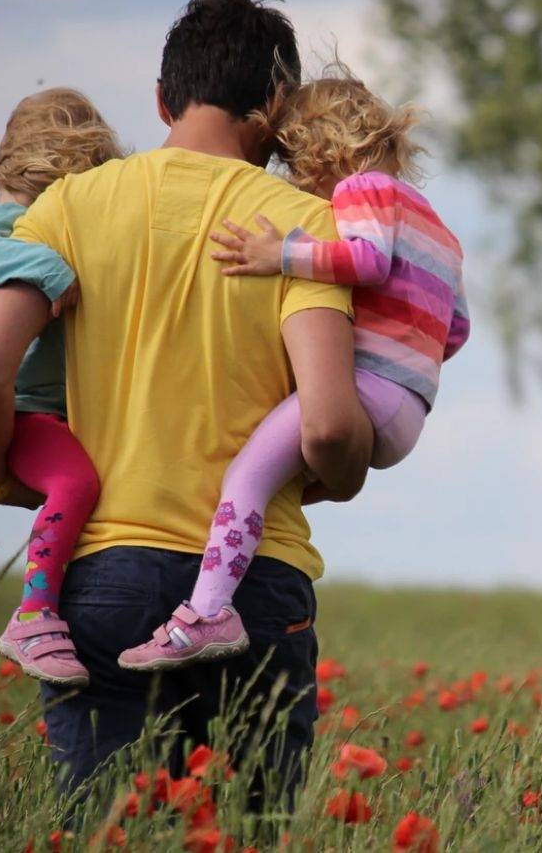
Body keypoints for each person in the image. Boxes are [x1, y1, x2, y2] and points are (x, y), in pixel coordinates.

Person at [0, 0, 373, 796]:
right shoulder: (302, 227)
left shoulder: (65, 208)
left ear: (160, 98)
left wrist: (0, 471)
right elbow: (325, 427)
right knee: (250, 833)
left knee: (109, 827)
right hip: (255, 585)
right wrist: (343, 473)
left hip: (103, 574)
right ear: (276, 105)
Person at [118, 71, 469, 671]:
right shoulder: (440, 228)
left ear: (321, 150)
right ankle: (225, 586)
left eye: (293, 163)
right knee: (276, 479)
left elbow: (365, 259)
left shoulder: (363, 191)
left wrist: (277, 254)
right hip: (410, 407)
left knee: (245, 478)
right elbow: (455, 329)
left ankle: (207, 613)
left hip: (367, 390)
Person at [0, 88, 122, 687]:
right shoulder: (6, 229)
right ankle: (35, 613)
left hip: (48, 410)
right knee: (76, 482)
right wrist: (52, 269)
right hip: (21, 411)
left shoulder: (33, 222)